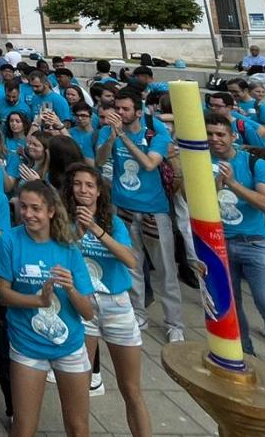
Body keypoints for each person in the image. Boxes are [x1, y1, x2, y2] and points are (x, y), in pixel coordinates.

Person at [0, 180, 96, 437]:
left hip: (70, 345)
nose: (28, 214)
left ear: (51, 211)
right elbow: (3, 295)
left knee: (78, 426)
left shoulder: (68, 246)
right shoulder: (9, 241)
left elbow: (88, 312)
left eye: (36, 208)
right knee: (24, 426)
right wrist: (38, 301)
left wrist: (71, 288)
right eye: (24, 207)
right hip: (27, 345)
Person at [63, 163, 151, 437]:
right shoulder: (64, 220)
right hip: (83, 304)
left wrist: (97, 230)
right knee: (81, 385)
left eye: (89, 185)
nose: (83, 190)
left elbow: (130, 260)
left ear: (99, 191)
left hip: (116, 304)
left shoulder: (112, 221)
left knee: (131, 388)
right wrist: (79, 228)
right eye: (78, 184)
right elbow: (64, 252)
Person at [204, 113, 265, 375]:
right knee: (231, 307)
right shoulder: (200, 161)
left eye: (220, 134)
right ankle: (245, 356)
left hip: (254, 243)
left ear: (233, 136)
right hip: (218, 245)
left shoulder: (256, 164)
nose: (215, 140)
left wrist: (233, 184)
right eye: (209, 134)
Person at [94, 88, 184, 341]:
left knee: (165, 268)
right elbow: (100, 161)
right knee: (132, 265)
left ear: (137, 110)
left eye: (125, 109)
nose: (120, 113)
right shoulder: (109, 130)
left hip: (154, 209)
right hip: (123, 206)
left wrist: (123, 137)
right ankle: (138, 312)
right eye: (117, 109)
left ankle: (174, 322)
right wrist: (112, 139)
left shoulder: (155, 130)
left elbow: (149, 163)